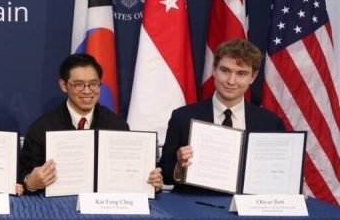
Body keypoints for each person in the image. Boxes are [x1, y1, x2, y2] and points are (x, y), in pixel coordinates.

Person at [19, 53, 163, 194]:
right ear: (63, 85)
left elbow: (130, 174)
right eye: (79, 84)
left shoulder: (117, 126)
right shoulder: (42, 128)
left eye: (93, 84)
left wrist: (151, 183)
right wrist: (30, 183)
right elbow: (22, 176)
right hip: (57, 206)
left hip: (105, 205)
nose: (87, 91)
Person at [160, 39, 286, 191]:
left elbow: (278, 174)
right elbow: (165, 173)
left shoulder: (271, 123)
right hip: (193, 203)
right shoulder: (182, 117)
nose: (231, 81)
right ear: (214, 70)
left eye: (241, 74)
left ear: (253, 77)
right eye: (225, 71)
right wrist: (180, 167)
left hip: (247, 204)